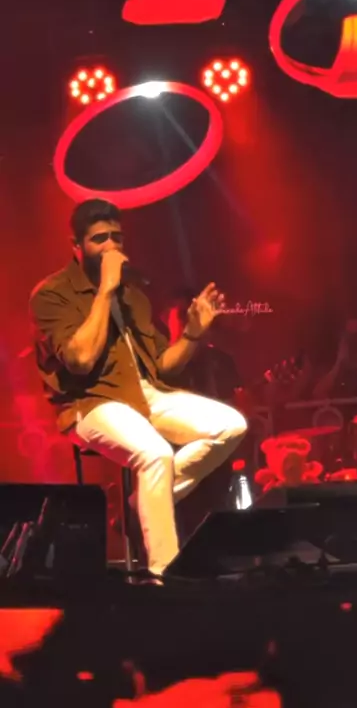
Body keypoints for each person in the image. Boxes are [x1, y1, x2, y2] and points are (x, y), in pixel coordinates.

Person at [29, 199, 247, 580]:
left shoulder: (133, 296)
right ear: (76, 245)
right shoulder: (52, 293)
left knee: (231, 425)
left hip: (146, 394)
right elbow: (80, 360)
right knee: (154, 453)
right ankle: (165, 573)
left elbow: (163, 366)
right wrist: (105, 291)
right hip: (92, 402)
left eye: (117, 237)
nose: (111, 246)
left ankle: (142, 501)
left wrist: (193, 333)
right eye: (99, 239)